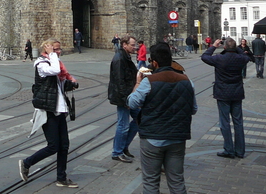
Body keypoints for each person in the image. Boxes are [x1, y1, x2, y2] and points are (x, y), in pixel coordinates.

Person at [127, 43, 197, 194]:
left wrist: (138, 82)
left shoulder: (149, 82)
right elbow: (193, 109)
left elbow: (132, 103)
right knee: (177, 181)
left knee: (151, 182)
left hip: (152, 138)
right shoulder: (187, 81)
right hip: (178, 138)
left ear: (154, 62)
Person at [18, 39, 78, 188]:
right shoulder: (41, 64)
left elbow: (58, 84)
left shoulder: (55, 63)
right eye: (55, 49)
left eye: (59, 49)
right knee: (53, 146)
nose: (58, 52)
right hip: (48, 110)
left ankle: (61, 178)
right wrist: (52, 55)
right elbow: (55, 71)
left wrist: (71, 83)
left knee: (64, 145)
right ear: (47, 50)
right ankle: (27, 163)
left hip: (60, 109)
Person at [201, 37, 254, 158]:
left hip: (222, 93)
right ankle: (240, 151)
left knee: (224, 122)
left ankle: (229, 149)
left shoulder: (219, 58)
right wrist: (237, 49)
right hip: (237, 93)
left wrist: (214, 46)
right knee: (238, 122)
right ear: (235, 48)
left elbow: (204, 57)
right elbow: (247, 57)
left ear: (224, 47)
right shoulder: (241, 58)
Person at [108, 34, 139, 163]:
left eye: (135, 45)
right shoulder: (120, 58)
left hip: (129, 95)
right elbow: (119, 81)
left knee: (139, 118)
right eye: (132, 45)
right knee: (123, 124)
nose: (135, 47)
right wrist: (126, 99)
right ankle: (117, 152)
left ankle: (123, 147)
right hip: (123, 97)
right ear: (124, 45)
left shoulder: (125, 57)